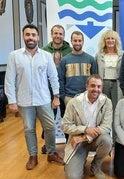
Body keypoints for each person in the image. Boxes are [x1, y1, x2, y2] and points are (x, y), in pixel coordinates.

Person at [4, 24, 64, 170]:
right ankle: (33, 156)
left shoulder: (46, 56)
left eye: (33, 35)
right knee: (29, 129)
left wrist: (56, 96)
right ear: (24, 36)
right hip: (24, 101)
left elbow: (53, 77)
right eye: (27, 34)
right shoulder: (14, 56)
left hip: (44, 99)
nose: (30, 37)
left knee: (50, 127)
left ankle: (51, 152)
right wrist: (11, 101)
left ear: (38, 37)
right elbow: (9, 79)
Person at [61, 74, 113, 179]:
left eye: (99, 87)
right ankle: (78, 161)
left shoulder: (107, 102)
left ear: (102, 88)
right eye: (92, 86)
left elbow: (106, 126)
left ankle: (95, 165)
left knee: (107, 140)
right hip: (77, 143)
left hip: (95, 139)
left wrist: (84, 137)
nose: (96, 89)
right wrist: (85, 129)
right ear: (86, 87)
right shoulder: (73, 102)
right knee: (72, 178)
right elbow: (65, 126)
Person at [41, 24, 72, 154]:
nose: (58, 36)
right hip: (47, 91)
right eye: (55, 33)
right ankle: (48, 144)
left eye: (60, 34)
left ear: (63, 36)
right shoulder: (44, 51)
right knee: (49, 118)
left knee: (67, 118)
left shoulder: (70, 51)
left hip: (65, 90)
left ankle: (69, 143)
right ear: (51, 34)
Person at [58, 30, 98, 106]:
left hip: (86, 97)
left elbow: (95, 80)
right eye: (75, 40)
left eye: (80, 40)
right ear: (71, 41)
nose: (77, 43)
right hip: (69, 98)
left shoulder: (90, 59)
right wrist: (63, 97)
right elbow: (60, 80)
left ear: (83, 42)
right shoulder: (64, 60)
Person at [95, 29, 123, 110]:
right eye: (108, 38)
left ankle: (115, 123)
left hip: (117, 85)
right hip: (103, 84)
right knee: (103, 107)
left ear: (116, 40)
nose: (110, 40)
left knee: (116, 107)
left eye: (112, 38)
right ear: (104, 41)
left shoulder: (122, 54)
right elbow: (95, 71)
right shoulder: (98, 55)